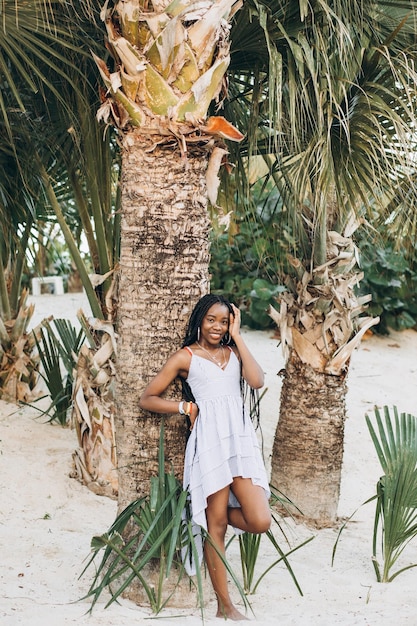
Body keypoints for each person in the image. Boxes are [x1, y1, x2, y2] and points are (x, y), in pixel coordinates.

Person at [139, 294, 271, 621]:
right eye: (211, 319)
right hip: (210, 443)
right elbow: (148, 398)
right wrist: (184, 407)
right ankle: (224, 606)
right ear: (200, 319)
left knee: (259, 520)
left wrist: (238, 337)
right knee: (217, 528)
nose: (217, 326)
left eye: (224, 321)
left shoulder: (234, 352)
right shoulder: (185, 357)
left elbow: (257, 381)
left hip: (239, 442)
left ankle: (214, 516)